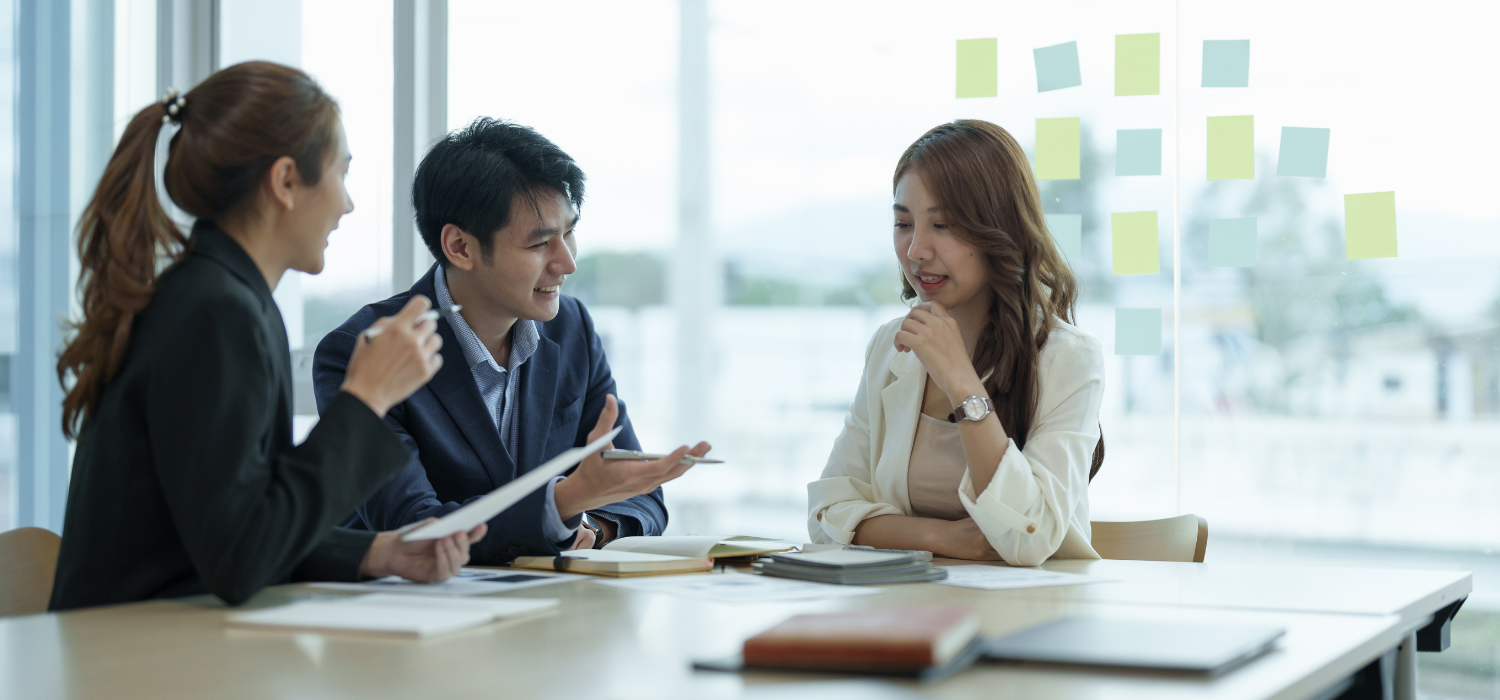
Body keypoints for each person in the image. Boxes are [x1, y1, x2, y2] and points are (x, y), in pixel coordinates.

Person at [50, 62, 485, 611]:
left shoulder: (221, 296)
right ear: (285, 182)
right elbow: (239, 559)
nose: (347, 204)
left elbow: (243, 522)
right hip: (132, 660)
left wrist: (378, 553)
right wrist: (365, 398)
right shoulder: (215, 311)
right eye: (340, 174)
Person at [312, 118, 709, 563]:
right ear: (460, 247)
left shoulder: (572, 327)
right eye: (540, 243)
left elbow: (641, 498)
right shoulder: (365, 352)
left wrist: (593, 527)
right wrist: (563, 505)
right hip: (417, 618)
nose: (567, 263)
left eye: (569, 233)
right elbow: (413, 531)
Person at [807, 120, 1106, 566]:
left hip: (1030, 617)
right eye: (904, 223)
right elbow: (826, 513)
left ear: (1000, 229)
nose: (916, 251)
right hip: (910, 610)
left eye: (942, 224)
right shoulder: (891, 345)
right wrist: (944, 537)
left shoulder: (1067, 358)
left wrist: (961, 381)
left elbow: (1031, 537)